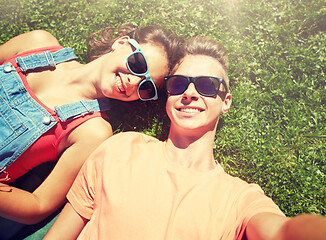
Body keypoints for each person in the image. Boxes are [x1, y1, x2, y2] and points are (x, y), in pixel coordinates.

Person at [44, 36, 326, 240]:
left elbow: (281, 231)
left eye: (206, 85)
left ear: (225, 101)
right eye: (179, 83)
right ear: (168, 96)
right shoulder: (120, 149)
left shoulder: (239, 198)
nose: (190, 92)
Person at [0, 23, 183, 239]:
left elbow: (39, 205)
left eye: (146, 86)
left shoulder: (93, 131)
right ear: (121, 43)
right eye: (138, 63)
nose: (133, 82)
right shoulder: (38, 43)